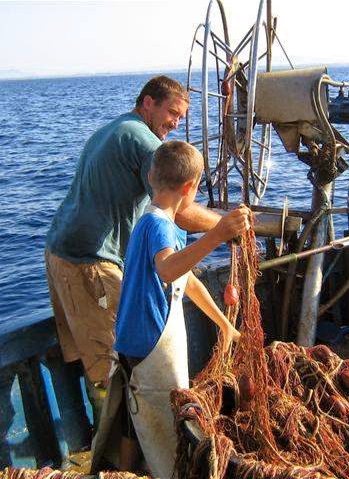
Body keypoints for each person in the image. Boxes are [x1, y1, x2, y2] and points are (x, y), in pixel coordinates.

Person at [44, 76, 221, 425]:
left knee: (99, 359)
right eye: (171, 112)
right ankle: (114, 450)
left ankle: (112, 438)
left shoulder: (118, 127)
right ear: (147, 103)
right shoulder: (145, 143)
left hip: (62, 254)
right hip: (89, 264)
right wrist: (227, 225)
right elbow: (182, 212)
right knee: (112, 366)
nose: (174, 123)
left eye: (181, 118)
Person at [95, 140, 248, 478]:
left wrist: (225, 325)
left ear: (152, 175)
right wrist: (218, 233)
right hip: (150, 347)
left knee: (134, 419)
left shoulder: (157, 221)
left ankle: (127, 470)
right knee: (166, 421)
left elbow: (186, 280)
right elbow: (168, 270)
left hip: (132, 341)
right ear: (190, 188)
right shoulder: (159, 226)